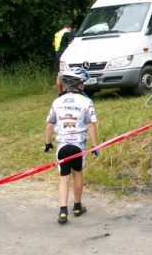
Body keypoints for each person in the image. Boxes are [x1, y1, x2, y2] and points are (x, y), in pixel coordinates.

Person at [44, 67, 99, 224]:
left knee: (64, 178)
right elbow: (91, 125)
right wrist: (95, 146)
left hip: (62, 145)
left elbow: (49, 125)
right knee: (78, 174)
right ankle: (77, 206)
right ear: (79, 84)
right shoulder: (86, 101)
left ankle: (62, 211)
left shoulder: (57, 102)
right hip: (78, 146)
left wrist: (47, 143)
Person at [53, 22, 74, 95]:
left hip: (57, 53)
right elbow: (73, 42)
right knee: (66, 72)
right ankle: (66, 91)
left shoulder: (57, 33)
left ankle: (60, 92)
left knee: (60, 72)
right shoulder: (67, 32)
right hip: (64, 53)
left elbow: (53, 43)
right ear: (70, 28)